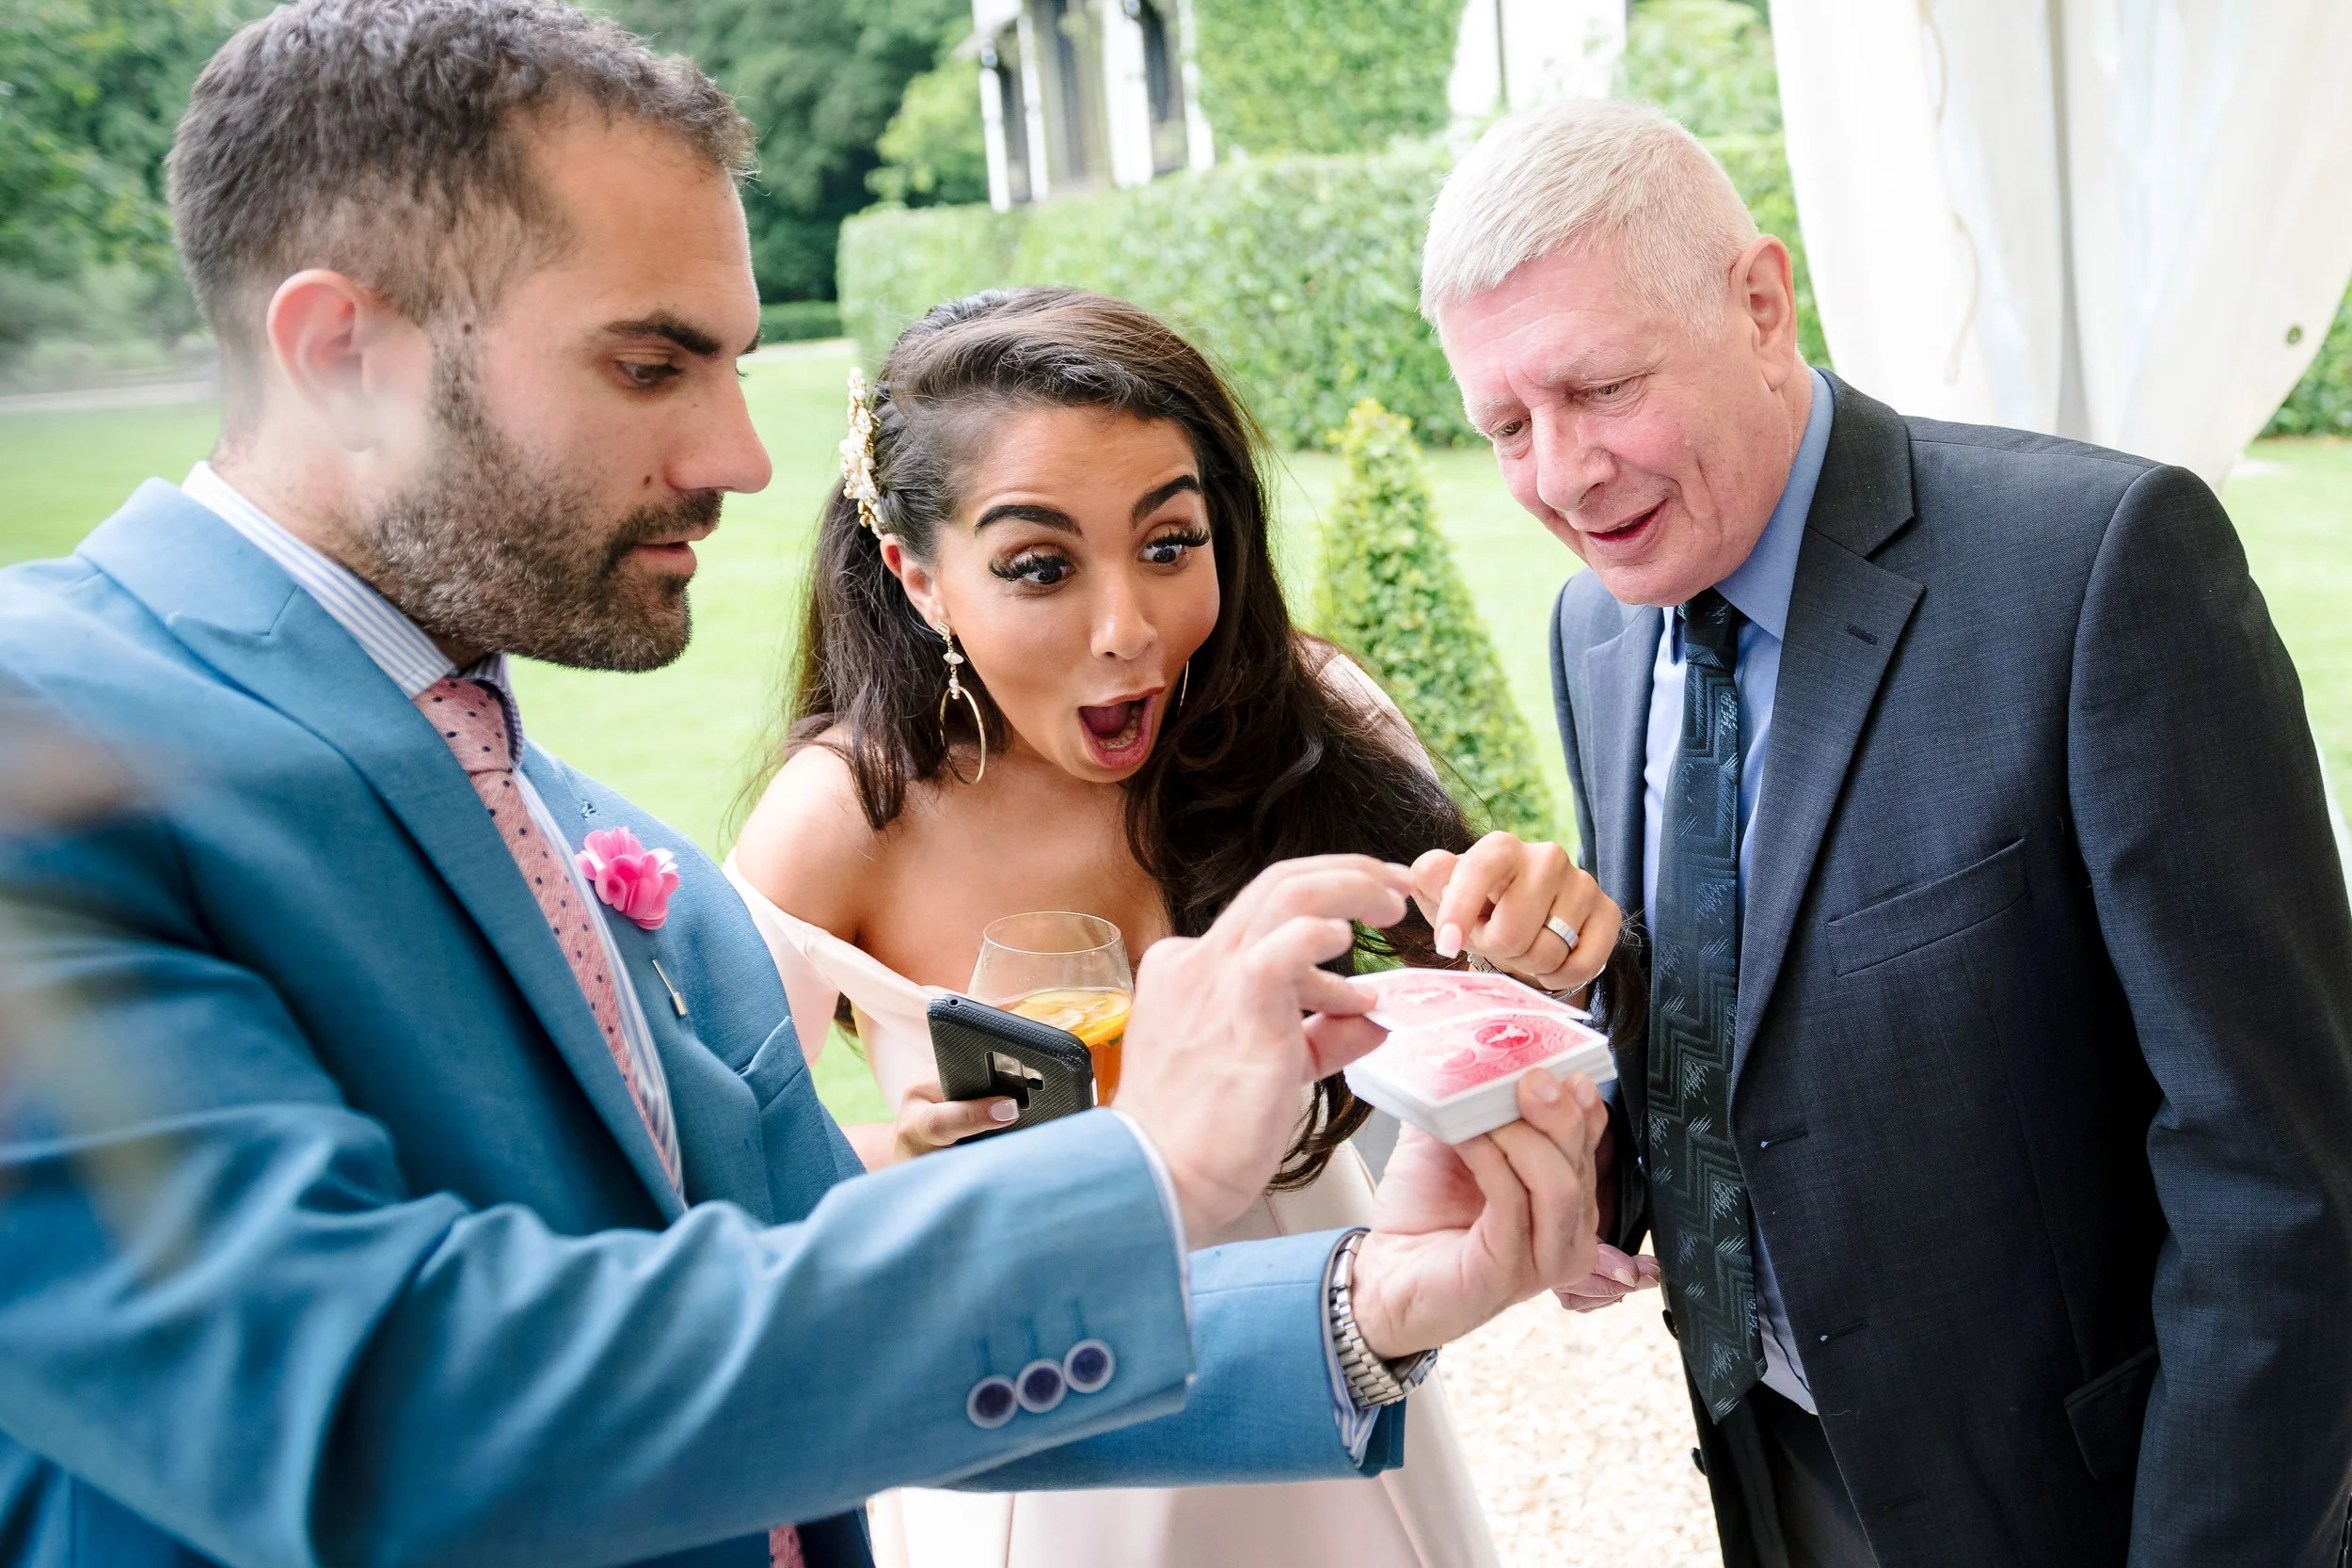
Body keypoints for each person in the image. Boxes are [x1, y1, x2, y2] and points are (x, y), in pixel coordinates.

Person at [0, 8, 1615, 1565]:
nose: (745, 456)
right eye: (652, 366)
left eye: (736, 367)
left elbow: (836, 1340)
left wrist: (1370, 1299)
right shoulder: (39, 753)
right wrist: (1150, 1174)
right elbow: (357, 1409)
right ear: (344, 354)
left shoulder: (592, 837)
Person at [1400, 97, 2352, 1566]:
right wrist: (1575, 1077)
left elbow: (2280, 1176)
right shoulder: (1597, 627)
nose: (1560, 474)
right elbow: (1735, 1037)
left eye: (1601, 388)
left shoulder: (2099, 568)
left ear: (1760, 304)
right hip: (1773, 1477)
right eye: (1507, 426)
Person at [728, 286, 1629, 1568]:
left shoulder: (1305, 716)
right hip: (1050, 1430)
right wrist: (908, 1158)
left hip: (1335, 1371)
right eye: (1041, 566)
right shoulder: (846, 814)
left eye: (1169, 544)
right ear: (916, 577)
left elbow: (1482, 1015)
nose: (1130, 630)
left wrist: (1543, 955)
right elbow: (711, 1205)